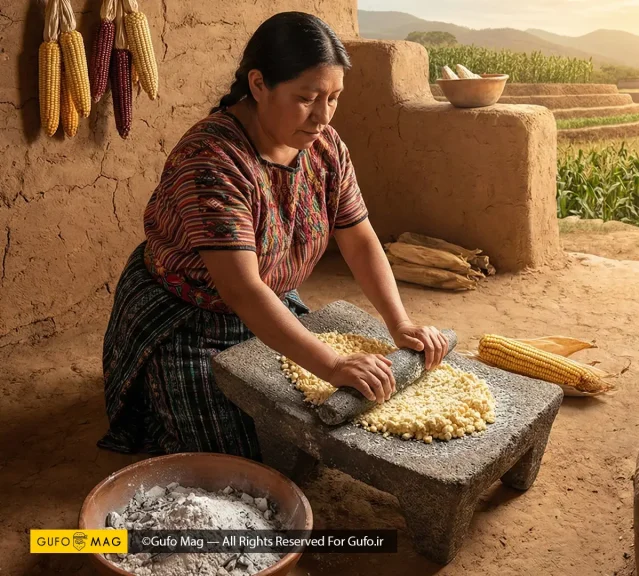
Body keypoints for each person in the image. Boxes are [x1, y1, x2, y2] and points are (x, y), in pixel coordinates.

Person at [98, 11, 448, 459]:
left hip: (272, 301)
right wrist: (333, 364)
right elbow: (243, 290)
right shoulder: (212, 161)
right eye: (307, 98)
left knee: (320, 425)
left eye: (334, 98)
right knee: (244, 449)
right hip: (191, 315)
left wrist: (399, 323)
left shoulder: (325, 147)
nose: (323, 116)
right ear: (259, 85)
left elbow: (359, 239)